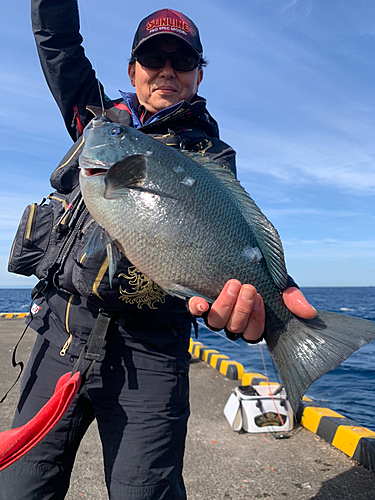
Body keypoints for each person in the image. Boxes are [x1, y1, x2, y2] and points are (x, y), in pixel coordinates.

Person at [1, 2, 316, 499]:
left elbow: (224, 234)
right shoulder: (99, 122)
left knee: (144, 492)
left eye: (182, 60)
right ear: (133, 71)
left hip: (151, 351)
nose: (167, 69)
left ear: (198, 74)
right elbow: (59, 45)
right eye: (153, 58)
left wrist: (263, 293)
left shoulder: (210, 155)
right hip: (61, 331)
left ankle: (293, 344)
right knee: (19, 488)